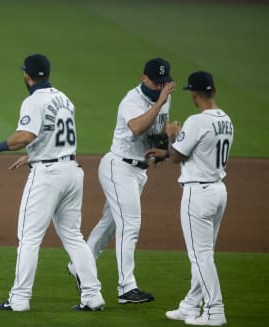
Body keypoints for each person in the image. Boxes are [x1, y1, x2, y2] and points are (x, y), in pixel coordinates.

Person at [0, 54, 105, 312]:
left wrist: (0, 147)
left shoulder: (33, 101)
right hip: (72, 171)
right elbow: (53, 135)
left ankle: (19, 299)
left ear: (27, 76)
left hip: (48, 175)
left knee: (28, 238)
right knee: (74, 236)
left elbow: (26, 134)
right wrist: (32, 155)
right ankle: (93, 295)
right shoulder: (64, 99)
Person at [67, 58, 174, 304]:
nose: (160, 86)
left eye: (164, 83)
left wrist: (167, 137)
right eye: (156, 82)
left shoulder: (163, 99)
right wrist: (160, 102)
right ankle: (127, 287)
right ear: (143, 78)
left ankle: (79, 266)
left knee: (110, 223)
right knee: (130, 224)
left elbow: (159, 127)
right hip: (119, 168)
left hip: (139, 171)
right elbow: (137, 127)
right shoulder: (132, 100)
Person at [146, 71, 232, 326]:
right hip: (218, 190)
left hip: (199, 194)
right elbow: (198, 153)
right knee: (204, 253)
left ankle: (215, 311)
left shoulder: (197, 121)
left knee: (200, 256)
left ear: (194, 94)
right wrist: (169, 148)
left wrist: (173, 134)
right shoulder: (226, 120)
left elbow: (177, 156)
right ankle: (191, 305)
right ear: (213, 90)